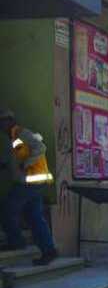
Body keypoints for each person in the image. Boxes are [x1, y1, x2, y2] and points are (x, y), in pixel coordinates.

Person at [0, 110, 57, 266]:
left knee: (6, 209)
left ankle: (17, 242)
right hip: (33, 183)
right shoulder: (14, 137)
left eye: (2, 122)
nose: (1, 126)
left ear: (9, 121)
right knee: (34, 217)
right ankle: (49, 250)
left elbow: (41, 147)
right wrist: (6, 165)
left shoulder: (21, 133)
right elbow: (20, 155)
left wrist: (25, 164)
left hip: (29, 183)